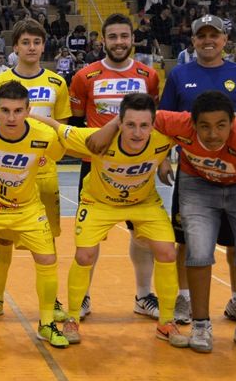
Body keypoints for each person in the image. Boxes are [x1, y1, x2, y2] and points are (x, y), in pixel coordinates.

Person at [35, 93, 189, 348]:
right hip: (99, 202)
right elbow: (55, 125)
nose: (137, 133)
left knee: (167, 252)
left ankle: (166, 322)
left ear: (154, 125)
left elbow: (200, 123)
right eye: (130, 125)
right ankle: (72, 318)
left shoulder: (163, 139)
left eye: (144, 126)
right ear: (119, 123)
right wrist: (21, 115)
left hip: (143, 202)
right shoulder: (97, 139)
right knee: (84, 255)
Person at [160, 14, 236, 323]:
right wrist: (162, 158)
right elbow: (164, 120)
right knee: (187, 241)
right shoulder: (179, 74)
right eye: (202, 35)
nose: (208, 40)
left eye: (214, 35)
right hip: (194, 171)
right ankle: (185, 299)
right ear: (193, 40)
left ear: (224, 40)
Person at [152, 92, 236, 355]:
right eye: (205, 126)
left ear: (232, 123)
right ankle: (200, 325)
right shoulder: (177, 123)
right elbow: (139, 113)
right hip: (197, 184)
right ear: (192, 124)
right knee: (197, 249)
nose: (212, 134)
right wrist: (108, 130)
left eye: (221, 125)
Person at [68, 13, 162, 321]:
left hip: (138, 168)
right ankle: (82, 297)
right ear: (103, 40)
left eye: (124, 36)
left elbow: (155, 122)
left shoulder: (149, 76)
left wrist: (162, 160)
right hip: (96, 168)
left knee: (142, 234)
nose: (119, 42)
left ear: (132, 39)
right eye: (113, 37)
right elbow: (77, 124)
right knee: (89, 239)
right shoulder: (85, 77)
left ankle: (144, 295)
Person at [0, 81, 66, 348]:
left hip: (27, 208)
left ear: (28, 110)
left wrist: (45, 122)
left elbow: (59, 151)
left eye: (18, 111)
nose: (11, 117)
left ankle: (46, 323)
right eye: (5, 110)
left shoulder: (44, 135)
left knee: (47, 258)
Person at [0, 18, 71, 324]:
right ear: (15, 47)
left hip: (44, 173)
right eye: (25, 42)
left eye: (36, 42)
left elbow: (61, 129)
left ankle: (51, 300)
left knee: (46, 242)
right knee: (4, 240)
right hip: (7, 175)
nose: (31, 47)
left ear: (44, 46)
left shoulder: (57, 83)